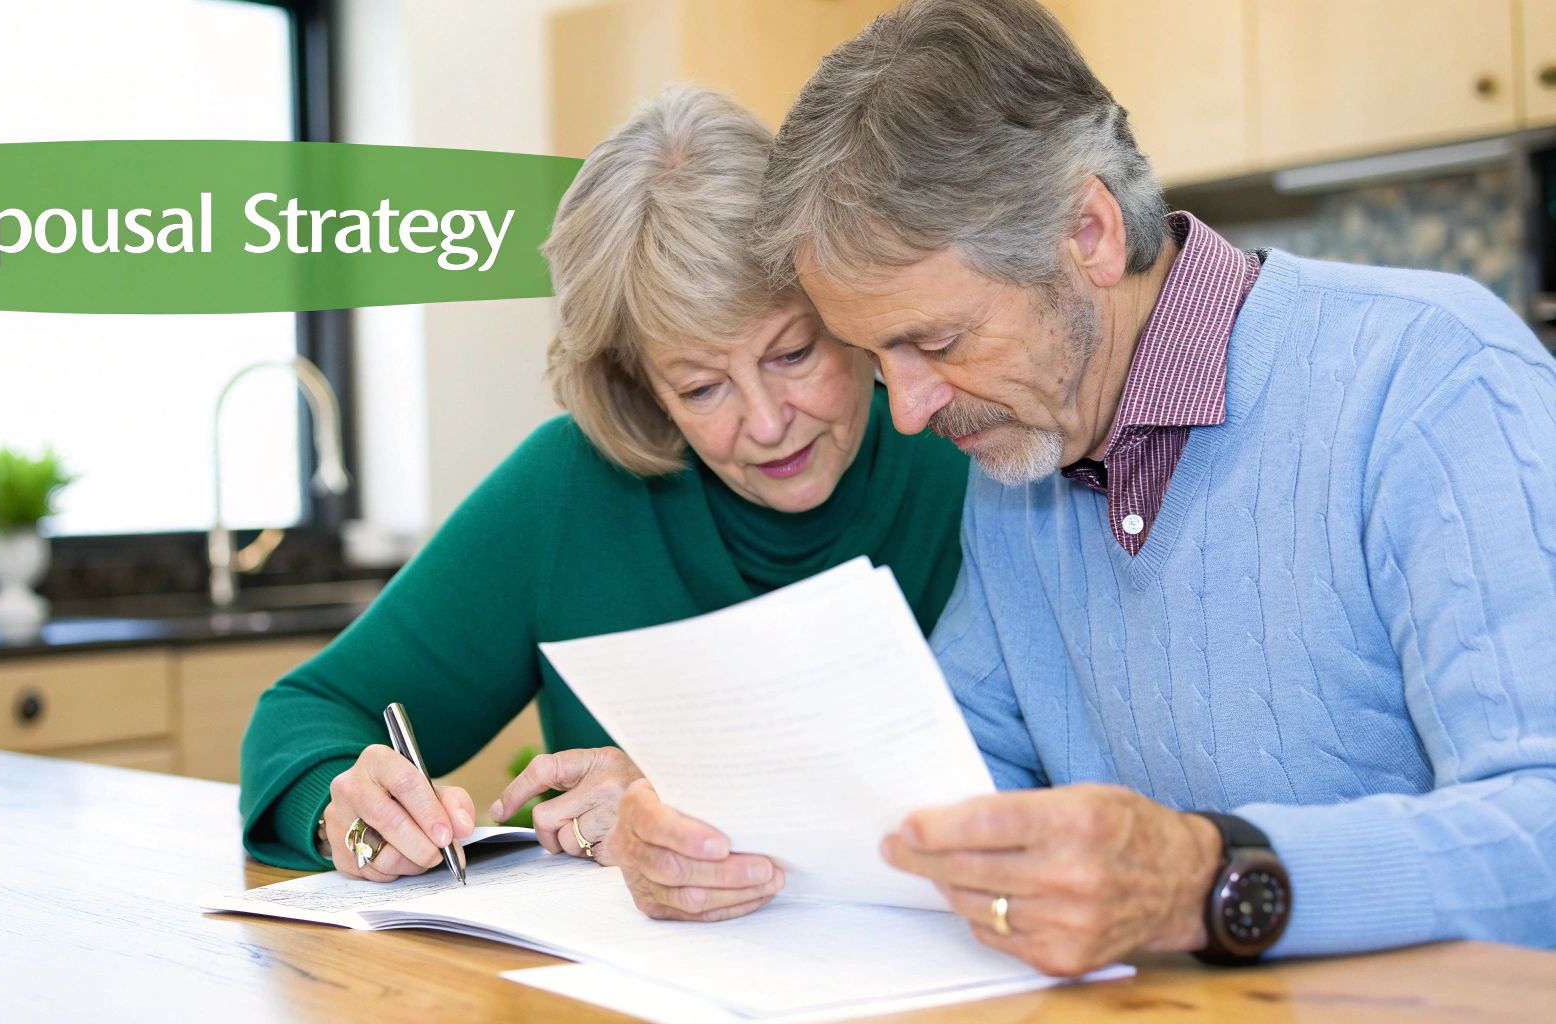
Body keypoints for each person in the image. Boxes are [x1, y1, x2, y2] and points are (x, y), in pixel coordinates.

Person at [610, 0, 1556, 972]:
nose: (904, 410)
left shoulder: (1433, 379)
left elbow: (1542, 830)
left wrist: (1201, 878)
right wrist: (706, 826)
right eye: (873, 356)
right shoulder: (1018, 462)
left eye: (934, 342)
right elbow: (928, 786)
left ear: (1089, 233)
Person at [237, 86, 972, 900]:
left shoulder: (970, 455)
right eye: (700, 388)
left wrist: (687, 801)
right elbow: (303, 716)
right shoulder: (570, 491)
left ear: (847, 304)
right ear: (640, 387)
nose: (766, 423)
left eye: (792, 354)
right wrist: (351, 812)